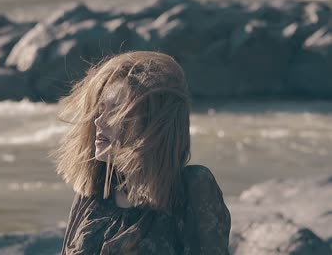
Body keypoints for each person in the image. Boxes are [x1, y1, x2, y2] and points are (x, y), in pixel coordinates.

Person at [51, 51, 231, 254]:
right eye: (100, 109)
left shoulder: (191, 188)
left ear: (150, 123)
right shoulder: (94, 191)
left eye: (115, 111)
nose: (98, 121)